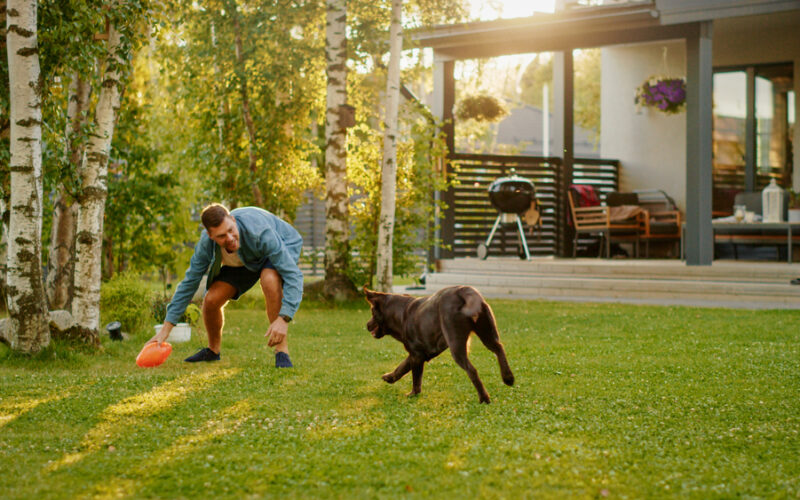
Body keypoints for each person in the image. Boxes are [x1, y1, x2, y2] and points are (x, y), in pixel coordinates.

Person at [148, 204, 303, 367]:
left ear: (233, 220)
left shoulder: (260, 232)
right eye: (222, 236)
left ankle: (282, 352)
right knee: (211, 299)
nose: (229, 238)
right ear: (210, 235)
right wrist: (165, 329)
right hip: (246, 260)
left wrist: (283, 318)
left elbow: (293, 275)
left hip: (283, 243)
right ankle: (213, 351)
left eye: (231, 230)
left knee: (269, 279)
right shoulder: (206, 244)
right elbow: (190, 282)